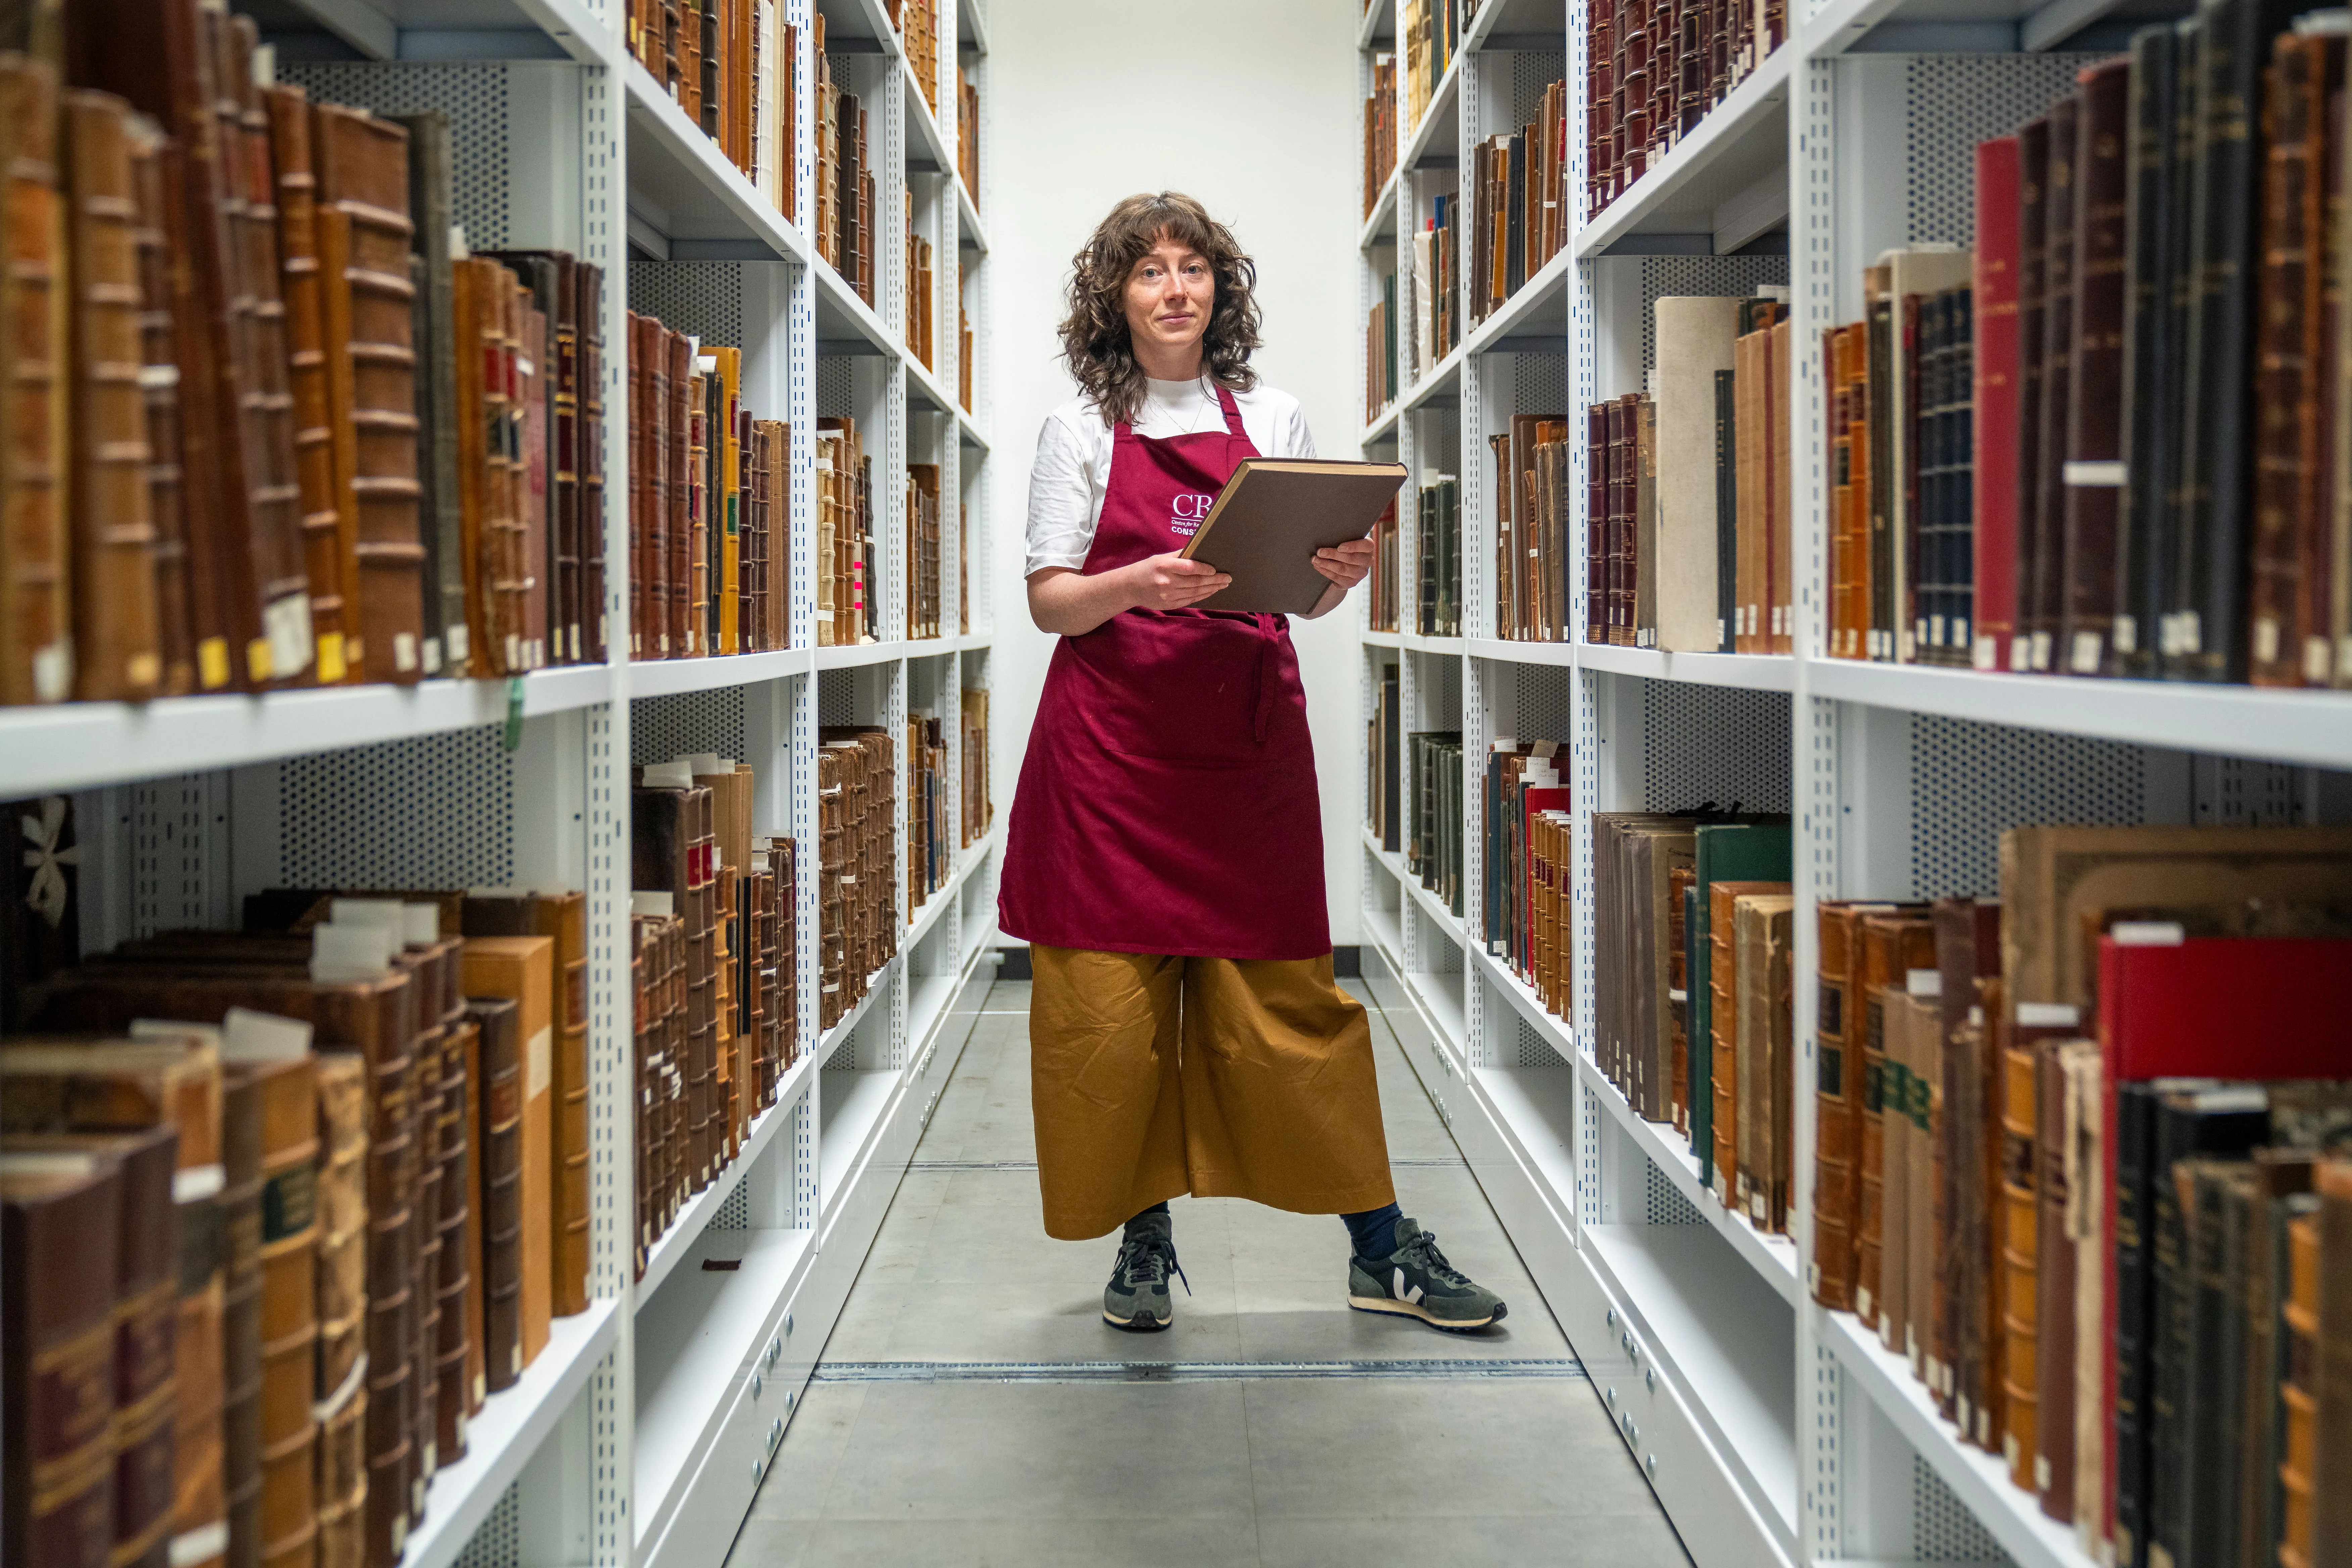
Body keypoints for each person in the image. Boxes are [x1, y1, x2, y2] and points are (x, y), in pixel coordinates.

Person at [998, 190, 1507, 1335]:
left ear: (1220, 291)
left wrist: (1344, 569)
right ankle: (1143, 1240)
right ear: (1114, 298)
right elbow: (1049, 606)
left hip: (1243, 749)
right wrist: (1138, 583)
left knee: (1291, 1002)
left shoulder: (1272, 415)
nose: (1175, 288)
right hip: (1111, 761)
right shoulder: (1080, 425)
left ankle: (1380, 1248)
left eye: (1194, 268)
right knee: (1111, 1018)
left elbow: (1307, 597)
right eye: (1149, 271)